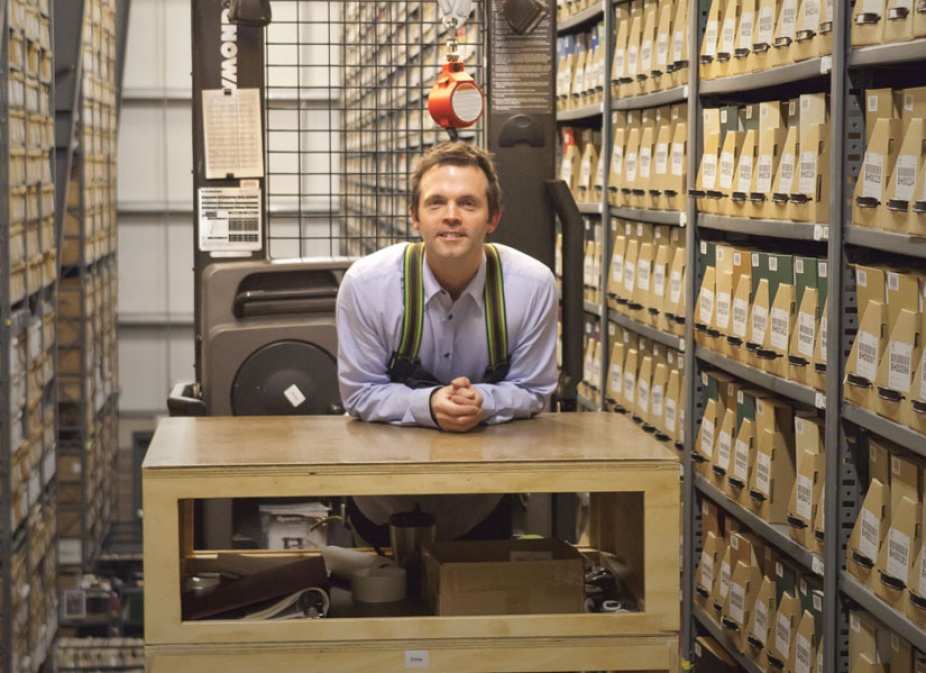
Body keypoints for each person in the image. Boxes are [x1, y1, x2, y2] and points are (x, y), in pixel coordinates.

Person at [335, 141, 559, 546]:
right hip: (381, 500)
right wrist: (431, 405)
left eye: (468, 203)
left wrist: (483, 402)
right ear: (414, 217)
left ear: (493, 218)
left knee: (479, 605)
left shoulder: (533, 285)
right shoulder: (367, 285)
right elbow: (359, 393)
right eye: (436, 203)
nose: (451, 216)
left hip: (479, 501)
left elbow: (534, 390)